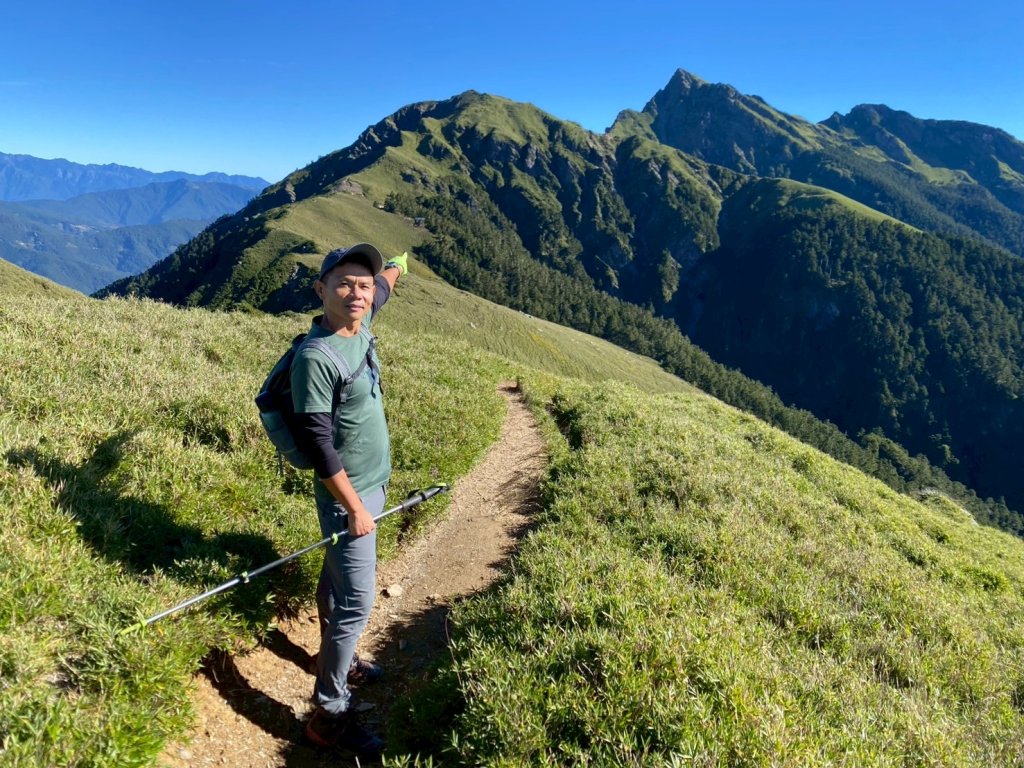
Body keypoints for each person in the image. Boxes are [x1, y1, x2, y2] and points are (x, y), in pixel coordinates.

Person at [288, 243, 407, 756]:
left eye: (364, 284)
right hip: (348, 495)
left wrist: (401, 261)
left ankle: (339, 655)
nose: (358, 292)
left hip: (370, 484)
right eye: (344, 283)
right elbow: (317, 441)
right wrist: (355, 508)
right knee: (358, 599)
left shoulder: (362, 311)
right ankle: (328, 712)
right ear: (320, 290)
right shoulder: (317, 357)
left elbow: (388, 282)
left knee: (338, 581)